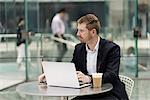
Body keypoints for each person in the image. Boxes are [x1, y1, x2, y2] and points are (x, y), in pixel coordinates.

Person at [39, 14, 128, 100]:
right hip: (88, 93)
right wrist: (51, 75)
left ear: (93, 32)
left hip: (110, 93)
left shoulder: (112, 49)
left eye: (81, 31)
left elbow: (111, 75)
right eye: (78, 30)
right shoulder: (79, 49)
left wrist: (89, 78)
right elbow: (72, 71)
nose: (77, 34)